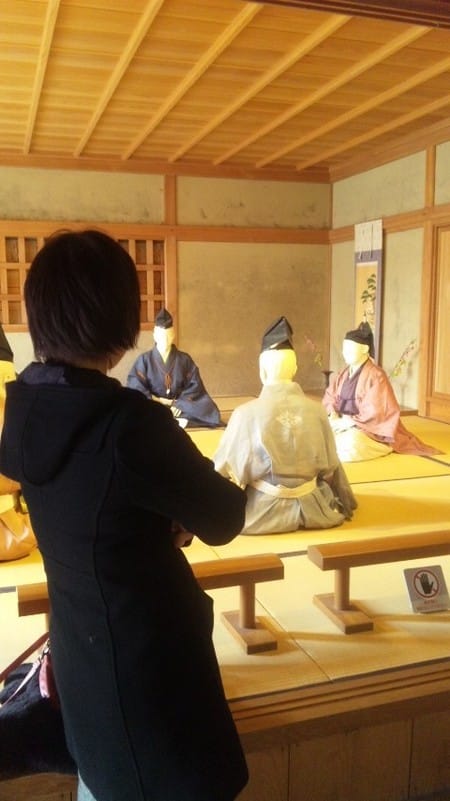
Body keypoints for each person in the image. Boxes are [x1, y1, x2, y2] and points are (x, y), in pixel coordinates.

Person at [0, 230, 248, 801]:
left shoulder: (24, 411)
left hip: (82, 661)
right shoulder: (128, 425)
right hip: (150, 675)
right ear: (117, 319)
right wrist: (173, 518)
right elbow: (224, 516)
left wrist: (153, 520)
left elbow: (94, 505)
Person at [213, 316, 356, 535]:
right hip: (314, 508)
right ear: (295, 368)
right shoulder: (317, 411)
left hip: (261, 513)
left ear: (262, 369)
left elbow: (222, 468)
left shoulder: (246, 414)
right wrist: (346, 501)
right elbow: (332, 466)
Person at [323, 322, 441, 462]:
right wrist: (333, 414)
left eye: (349, 349)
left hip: (368, 430)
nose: (345, 353)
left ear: (365, 349)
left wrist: (348, 422)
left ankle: (379, 447)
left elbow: (377, 412)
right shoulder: (343, 374)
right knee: (317, 431)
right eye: (344, 349)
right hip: (343, 424)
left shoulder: (376, 375)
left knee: (351, 442)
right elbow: (330, 396)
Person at [127, 308, 221, 428]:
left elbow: (195, 386)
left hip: (179, 405)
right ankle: (174, 419)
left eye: (168, 335)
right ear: (154, 335)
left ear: (173, 335)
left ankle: (174, 418)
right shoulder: (144, 360)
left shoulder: (184, 359)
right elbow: (136, 387)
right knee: (135, 410)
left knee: (207, 408)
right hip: (154, 404)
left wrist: (179, 404)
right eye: (161, 335)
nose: (165, 339)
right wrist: (159, 401)